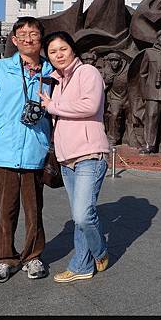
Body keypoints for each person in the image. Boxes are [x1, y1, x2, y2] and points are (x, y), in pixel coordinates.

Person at [0, 16, 52, 283]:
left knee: (34, 211)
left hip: (35, 151)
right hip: (5, 151)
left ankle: (32, 257)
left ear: (40, 39)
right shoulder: (1, 69)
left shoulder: (51, 72)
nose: (28, 38)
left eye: (33, 34)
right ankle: (6, 258)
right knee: (6, 210)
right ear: (14, 40)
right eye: (23, 34)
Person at [38, 31, 110, 283]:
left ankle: (99, 251)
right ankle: (82, 266)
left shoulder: (87, 72)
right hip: (66, 159)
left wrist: (53, 106)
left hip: (89, 154)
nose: (58, 55)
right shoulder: (55, 82)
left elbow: (89, 106)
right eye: (52, 52)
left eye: (63, 49)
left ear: (73, 50)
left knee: (82, 214)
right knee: (80, 217)